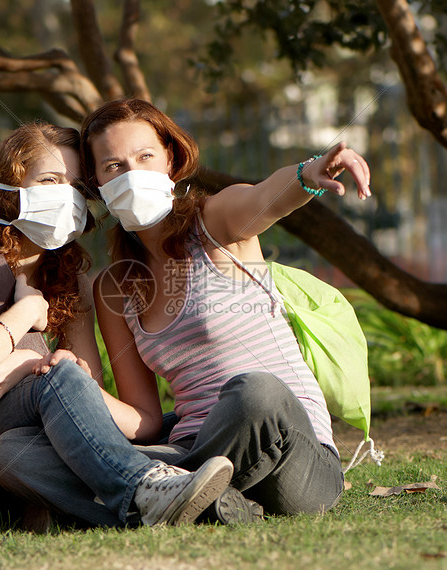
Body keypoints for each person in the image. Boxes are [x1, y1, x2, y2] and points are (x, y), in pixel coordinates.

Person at [0, 121, 233, 530]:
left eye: (76, 188)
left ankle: (158, 504)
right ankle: (144, 484)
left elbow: (86, 401)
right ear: (11, 189)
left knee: (37, 416)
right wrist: (24, 315)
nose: (64, 196)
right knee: (50, 378)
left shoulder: (73, 286)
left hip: (13, 459)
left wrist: (33, 366)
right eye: (50, 180)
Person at [80, 98, 372, 521]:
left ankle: (149, 496)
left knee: (257, 390)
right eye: (113, 167)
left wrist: (307, 174)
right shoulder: (114, 287)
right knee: (18, 454)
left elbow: (265, 199)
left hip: (294, 456)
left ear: (170, 160)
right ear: (97, 185)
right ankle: (207, 500)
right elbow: (144, 420)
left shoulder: (214, 223)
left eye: (145, 156)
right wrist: (71, 384)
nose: (132, 174)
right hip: (191, 449)